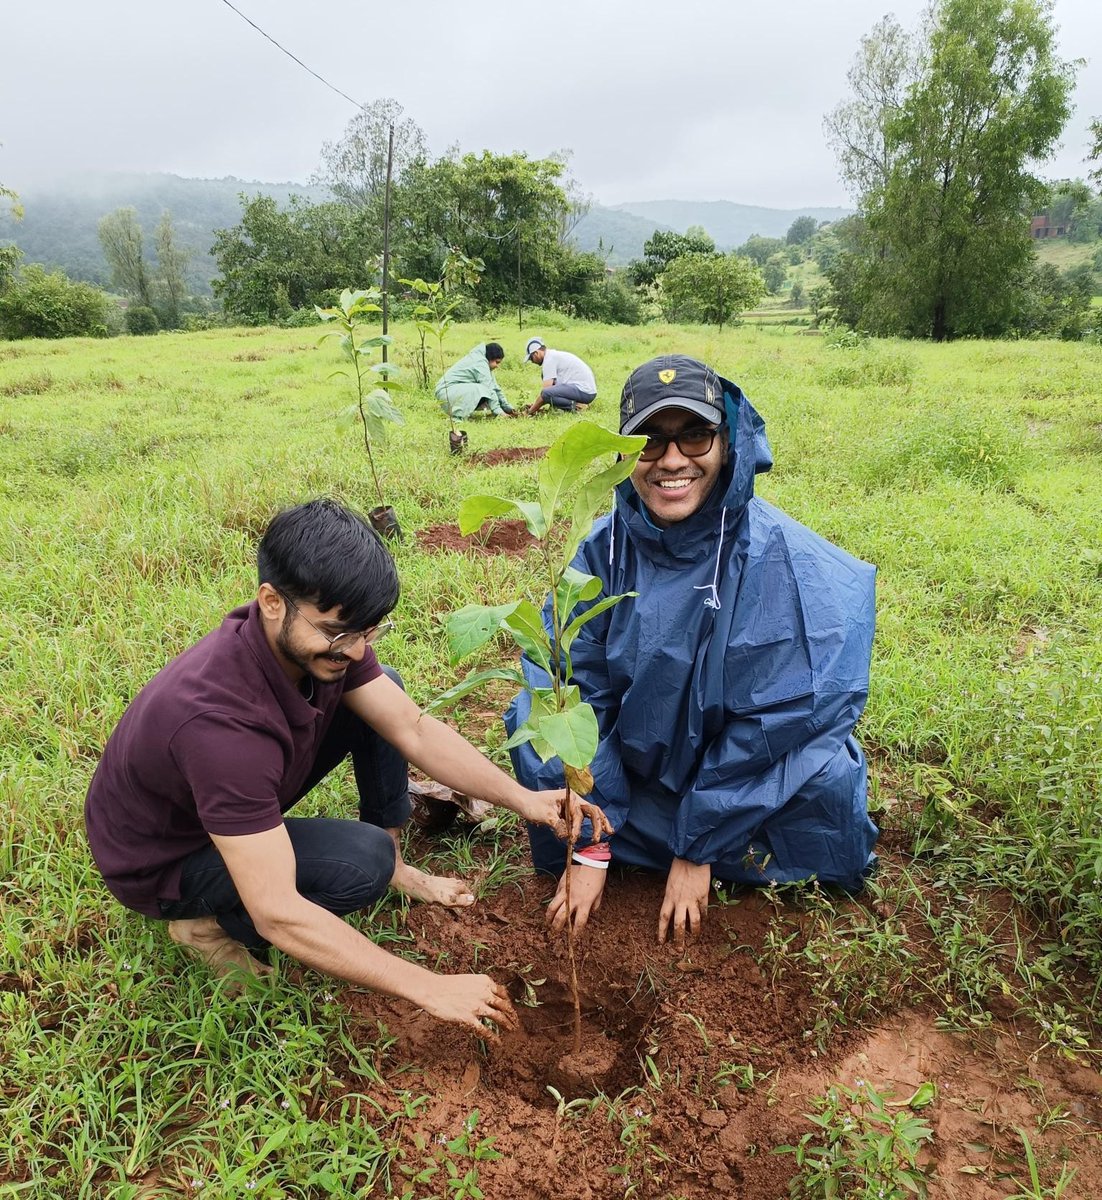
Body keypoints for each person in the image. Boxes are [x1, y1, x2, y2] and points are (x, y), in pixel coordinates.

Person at [85, 498, 607, 1032]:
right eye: (339, 633)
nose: (356, 651)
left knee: (383, 695)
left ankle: (397, 867)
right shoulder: (221, 729)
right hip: (166, 858)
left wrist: (524, 799)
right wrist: (427, 985)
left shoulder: (311, 640)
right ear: (271, 601)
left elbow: (412, 728)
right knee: (362, 862)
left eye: (367, 632)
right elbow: (278, 912)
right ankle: (205, 927)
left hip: (219, 801)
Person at [507, 355, 878, 945]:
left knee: (824, 777)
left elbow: (791, 718)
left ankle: (687, 841)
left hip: (738, 782)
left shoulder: (784, 558)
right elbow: (572, 689)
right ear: (624, 454)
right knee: (534, 714)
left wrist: (698, 844)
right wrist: (591, 844)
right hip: (633, 776)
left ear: (728, 445)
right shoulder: (602, 553)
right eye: (650, 440)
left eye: (695, 436)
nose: (673, 460)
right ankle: (623, 835)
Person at [434, 342, 517, 419]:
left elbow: (495, 387)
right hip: (446, 392)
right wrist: (499, 412)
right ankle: (458, 416)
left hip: (453, 391)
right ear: (491, 358)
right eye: (497, 362)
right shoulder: (480, 363)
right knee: (482, 390)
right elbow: (489, 389)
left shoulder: (484, 364)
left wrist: (508, 408)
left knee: (486, 391)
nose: (497, 366)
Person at [523, 338, 598, 415]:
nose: (532, 361)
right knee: (547, 388)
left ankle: (577, 406)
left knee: (546, 393)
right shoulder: (552, 355)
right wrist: (536, 405)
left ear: (536, 353)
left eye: (531, 358)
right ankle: (575, 404)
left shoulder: (549, 360)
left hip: (584, 391)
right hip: (586, 391)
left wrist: (529, 412)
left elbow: (545, 393)